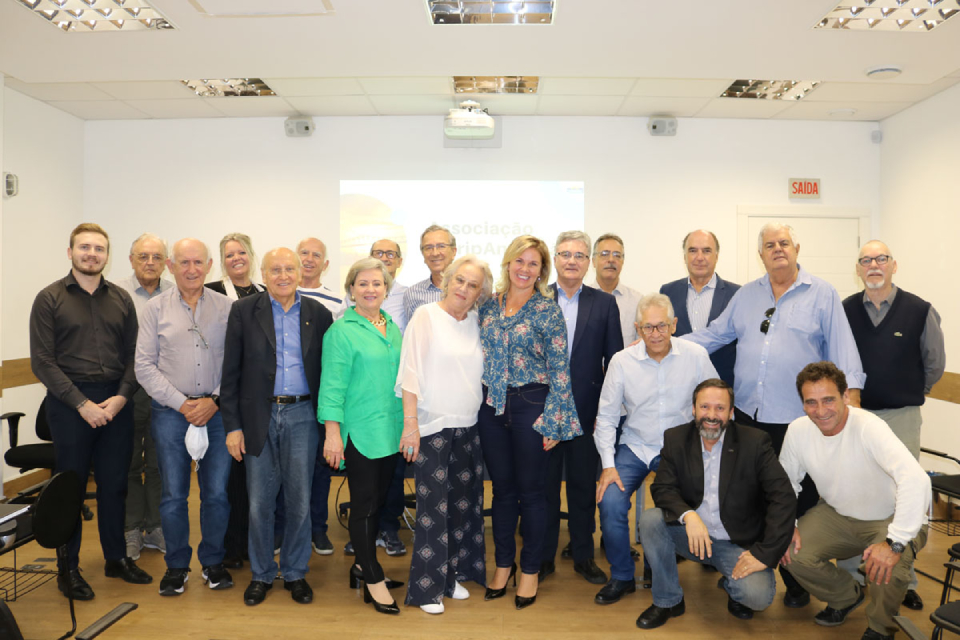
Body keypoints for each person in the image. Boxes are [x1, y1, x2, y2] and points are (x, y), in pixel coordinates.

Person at [682, 222, 866, 606]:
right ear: (760, 253)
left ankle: (795, 577)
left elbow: (844, 353)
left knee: (795, 501)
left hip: (798, 422)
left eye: (784, 243)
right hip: (748, 418)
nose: (777, 249)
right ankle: (744, 572)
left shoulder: (822, 294)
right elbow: (715, 334)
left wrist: (852, 405)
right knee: (747, 500)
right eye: (770, 245)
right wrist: (664, 341)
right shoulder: (748, 295)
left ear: (796, 248)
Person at [29, 223, 153, 601]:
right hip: (70, 406)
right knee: (71, 489)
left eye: (99, 249)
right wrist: (81, 404)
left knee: (115, 486)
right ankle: (68, 569)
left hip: (117, 401)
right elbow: (42, 362)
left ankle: (116, 559)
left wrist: (120, 398)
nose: (92, 254)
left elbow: (136, 356)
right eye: (84, 247)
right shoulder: (49, 298)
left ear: (107, 255)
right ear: (71, 252)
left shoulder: (120, 299)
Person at [779, 361, 931, 640]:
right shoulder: (798, 431)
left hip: (891, 517)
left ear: (845, 396)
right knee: (790, 551)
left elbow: (916, 479)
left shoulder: (869, 427)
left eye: (828, 400)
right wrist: (789, 524)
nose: (821, 411)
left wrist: (895, 542)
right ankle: (846, 596)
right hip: (838, 514)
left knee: (888, 568)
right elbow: (785, 483)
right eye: (811, 402)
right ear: (802, 404)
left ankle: (881, 628)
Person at [221, 248, 334, 606]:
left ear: (300, 272)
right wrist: (233, 426)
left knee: (300, 501)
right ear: (264, 273)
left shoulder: (319, 313)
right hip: (259, 416)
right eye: (275, 270)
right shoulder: (243, 311)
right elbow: (231, 375)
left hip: (302, 414)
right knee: (259, 502)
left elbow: (327, 374)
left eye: (289, 268)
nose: (283, 275)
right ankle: (261, 574)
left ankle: (296, 572)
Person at [635, 379, 796, 629]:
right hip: (691, 536)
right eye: (704, 407)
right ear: (693, 409)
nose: (711, 415)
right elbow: (662, 488)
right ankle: (668, 600)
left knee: (757, 597)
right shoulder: (676, 438)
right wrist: (689, 516)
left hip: (737, 542)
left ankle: (733, 586)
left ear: (731, 413)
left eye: (720, 408)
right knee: (651, 520)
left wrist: (765, 553)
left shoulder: (755, 442)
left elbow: (782, 497)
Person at [477, 235, 581, 610]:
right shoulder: (488, 307)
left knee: (533, 493)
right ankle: (504, 565)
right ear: (507, 264)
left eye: (533, 264)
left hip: (532, 405)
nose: (524, 269)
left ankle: (531, 570)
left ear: (542, 270)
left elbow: (560, 368)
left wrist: (555, 420)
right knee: (502, 492)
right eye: (519, 261)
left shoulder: (547, 310)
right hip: (491, 407)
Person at [593, 294, 716, 607]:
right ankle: (622, 576)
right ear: (637, 329)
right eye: (648, 327)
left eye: (662, 325)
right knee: (609, 501)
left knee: (669, 508)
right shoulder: (622, 361)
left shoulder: (696, 355)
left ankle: (657, 569)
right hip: (635, 444)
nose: (656, 333)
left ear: (674, 325)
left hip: (679, 449)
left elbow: (714, 404)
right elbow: (606, 418)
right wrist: (608, 466)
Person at [843, 240, 945, 611]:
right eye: (866, 260)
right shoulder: (846, 310)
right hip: (856, 417)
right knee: (855, 492)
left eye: (880, 259)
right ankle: (856, 574)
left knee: (905, 494)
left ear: (893, 265)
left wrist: (907, 392)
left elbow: (934, 364)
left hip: (902, 416)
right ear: (857, 269)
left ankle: (906, 578)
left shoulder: (919, 310)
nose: (874, 265)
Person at [135, 238, 234, 596]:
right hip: (170, 414)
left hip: (218, 414)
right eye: (183, 262)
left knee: (217, 494)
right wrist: (181, 404)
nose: (191, 269)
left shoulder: (226, 308)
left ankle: (213, 562)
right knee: (174, 495)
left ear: (210, 266)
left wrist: (215, 400)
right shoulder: (154, 309)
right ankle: (177, 566)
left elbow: (238, 363)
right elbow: (144, 367)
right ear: (171, 266)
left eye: (198, 262)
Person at [397, 255, 493, 614]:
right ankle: (426, 590)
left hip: (468, 426)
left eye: (474, 286)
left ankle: (450, 578)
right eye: (460, 281)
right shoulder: (426, 316)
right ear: (448, 280)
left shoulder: (475, 322)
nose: (465, 290)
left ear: (480, 293)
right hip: (433, 427)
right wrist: (411, 424)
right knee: (432, 512)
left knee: (461, 508)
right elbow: (410, 372)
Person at [319, 257, 405, 615]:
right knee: (365, 506)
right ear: (351, 289)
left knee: (381, 501)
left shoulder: (393, 327)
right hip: (360, 433)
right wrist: (332, 434)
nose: (371, 290)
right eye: (363, 283)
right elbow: (332, 387)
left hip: (391, 430)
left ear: (386, 289)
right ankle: (370, 574)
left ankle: (361, 566)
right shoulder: (341, 331)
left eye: (377, 284)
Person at [542, 231, 623, 585]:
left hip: (586, 413)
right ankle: (541, 558)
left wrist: (604, 417)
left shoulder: (603, 303)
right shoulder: (537, 297)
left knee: (580, 488)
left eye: (579, 255)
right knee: (542, 488)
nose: (572, 260)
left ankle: (583, 555)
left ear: (587, 262)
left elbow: (615, 363)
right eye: (565, 254)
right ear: (555, 260)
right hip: (541, 412)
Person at [206, 232, 264, 569]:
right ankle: (228, 547)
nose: (236, 258)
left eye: (242, 252)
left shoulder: (264, 293)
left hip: (255, 398)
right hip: (225, 396)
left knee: (252, 478)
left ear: (251, 255)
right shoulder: (212, 292)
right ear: (222, 260)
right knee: (226, 478)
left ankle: (248, 544)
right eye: (229, 254)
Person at [116, 233, 172, 561]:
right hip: (127, 390)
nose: (150, 263)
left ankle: (157, 526)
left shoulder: (176, 293)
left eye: (156, 257)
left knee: (159, 463)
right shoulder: (115, 293)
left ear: (165, 262)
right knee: (128, 463)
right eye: (143, 256)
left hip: (165, 392)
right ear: (131, 259)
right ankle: (131, 528)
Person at [660, 229, 740, 386]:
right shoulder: (667, 292)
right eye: (692, 251)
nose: (699, 257)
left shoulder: (736, 294)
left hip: (721, 386)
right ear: (684, 257)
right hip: (677, 384)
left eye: (706, 251)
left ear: (716, 256)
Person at [591, 233, 643, 346]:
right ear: (593, 261)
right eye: (604, 254)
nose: (611, 260)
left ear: (622, 262)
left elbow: (642, 341)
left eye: (617, 255)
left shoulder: (637, 301)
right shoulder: (582, 297)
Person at [403, 224, 458, 321]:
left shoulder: (468, 290)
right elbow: (412, 334)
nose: (435, 253)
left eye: (441, 246)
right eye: (428, 248)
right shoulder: (412, 294)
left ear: (453, 252)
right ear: (423, 254)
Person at [296, 236, 345, 316]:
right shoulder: (282, 294)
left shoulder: (338, 302)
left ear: (325, 265)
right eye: (304, 253)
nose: (309, 259)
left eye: (316, 255)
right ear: (294, 260)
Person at [371, 238, 408, 332]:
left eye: (390, 254)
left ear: (399, 262)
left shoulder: (407, 295)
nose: (384, 258)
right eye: (378, 253)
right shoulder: (356, 294)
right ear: (370, 259)